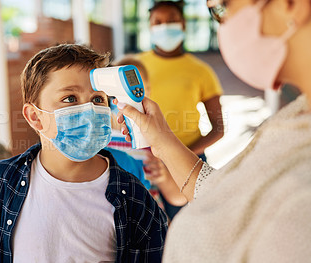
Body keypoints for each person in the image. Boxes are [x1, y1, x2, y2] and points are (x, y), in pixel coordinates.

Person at [0, 44, 168, 263]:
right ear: (35, 117)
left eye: (98, 99)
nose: (89, 109)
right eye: (69, 98)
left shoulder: (134, 199)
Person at [115, 0, 311, 261]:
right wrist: (162, 143)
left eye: (222, 8)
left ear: (292, 5)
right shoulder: (294, 119)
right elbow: (229, 198)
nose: (223, 24)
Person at [138, 0, 224, 160]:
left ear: (183, 24)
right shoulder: (135, 67)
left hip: (191, 157)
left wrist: (182, 155)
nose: (165, 27)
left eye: (172, 21)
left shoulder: (201, 70)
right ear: (150, 28)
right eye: (158, 22)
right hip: (146, 160)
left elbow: (218, 128)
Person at [108, 55, 188, 217]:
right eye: (121, 93)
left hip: (150, 221)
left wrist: (163, 178)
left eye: (136, 92)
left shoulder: (156, 139)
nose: (130, 100)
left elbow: (179, 198)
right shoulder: (99, 138)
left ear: (148, 92)